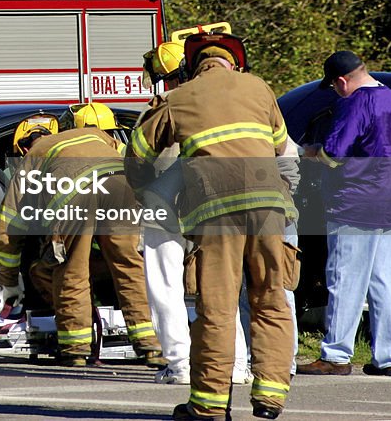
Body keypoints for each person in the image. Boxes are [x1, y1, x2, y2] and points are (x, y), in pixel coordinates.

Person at [126, 32, 295, 421]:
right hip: (269, 208)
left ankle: (208, 405)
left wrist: (149, 191)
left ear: (191, 67)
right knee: (270, 297)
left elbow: (136, 155)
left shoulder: (177, 98)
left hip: (216, 211)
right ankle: (270, 395)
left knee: (217, 308)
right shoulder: (259, 88)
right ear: (233, 64)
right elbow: (281, 148)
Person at [0, 103, 163, 368]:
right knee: (128, 265)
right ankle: (150, 345)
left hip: (76, 190)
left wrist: (8, 281)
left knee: (71, 269)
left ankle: (75, 350)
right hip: (120, 183)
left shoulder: (38, 152)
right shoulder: (101, 137)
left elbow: (8, 221)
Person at [138, 40, 256, 387]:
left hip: (167, 208)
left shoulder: (168, 105)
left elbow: (139, 156)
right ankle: (236, 365)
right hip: (215, 203)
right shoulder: (229, 102)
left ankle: (180, 363)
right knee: (222, 287)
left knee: (165, 285)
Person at [296, 50, 391, 377]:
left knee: (345, 279)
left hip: (356, 204)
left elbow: (335, 154)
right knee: (387, 284)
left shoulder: (354, 103)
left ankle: (336, 354)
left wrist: (309, 152)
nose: (335, 91)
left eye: (333, 86)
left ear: (342, 81)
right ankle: (388, 357)